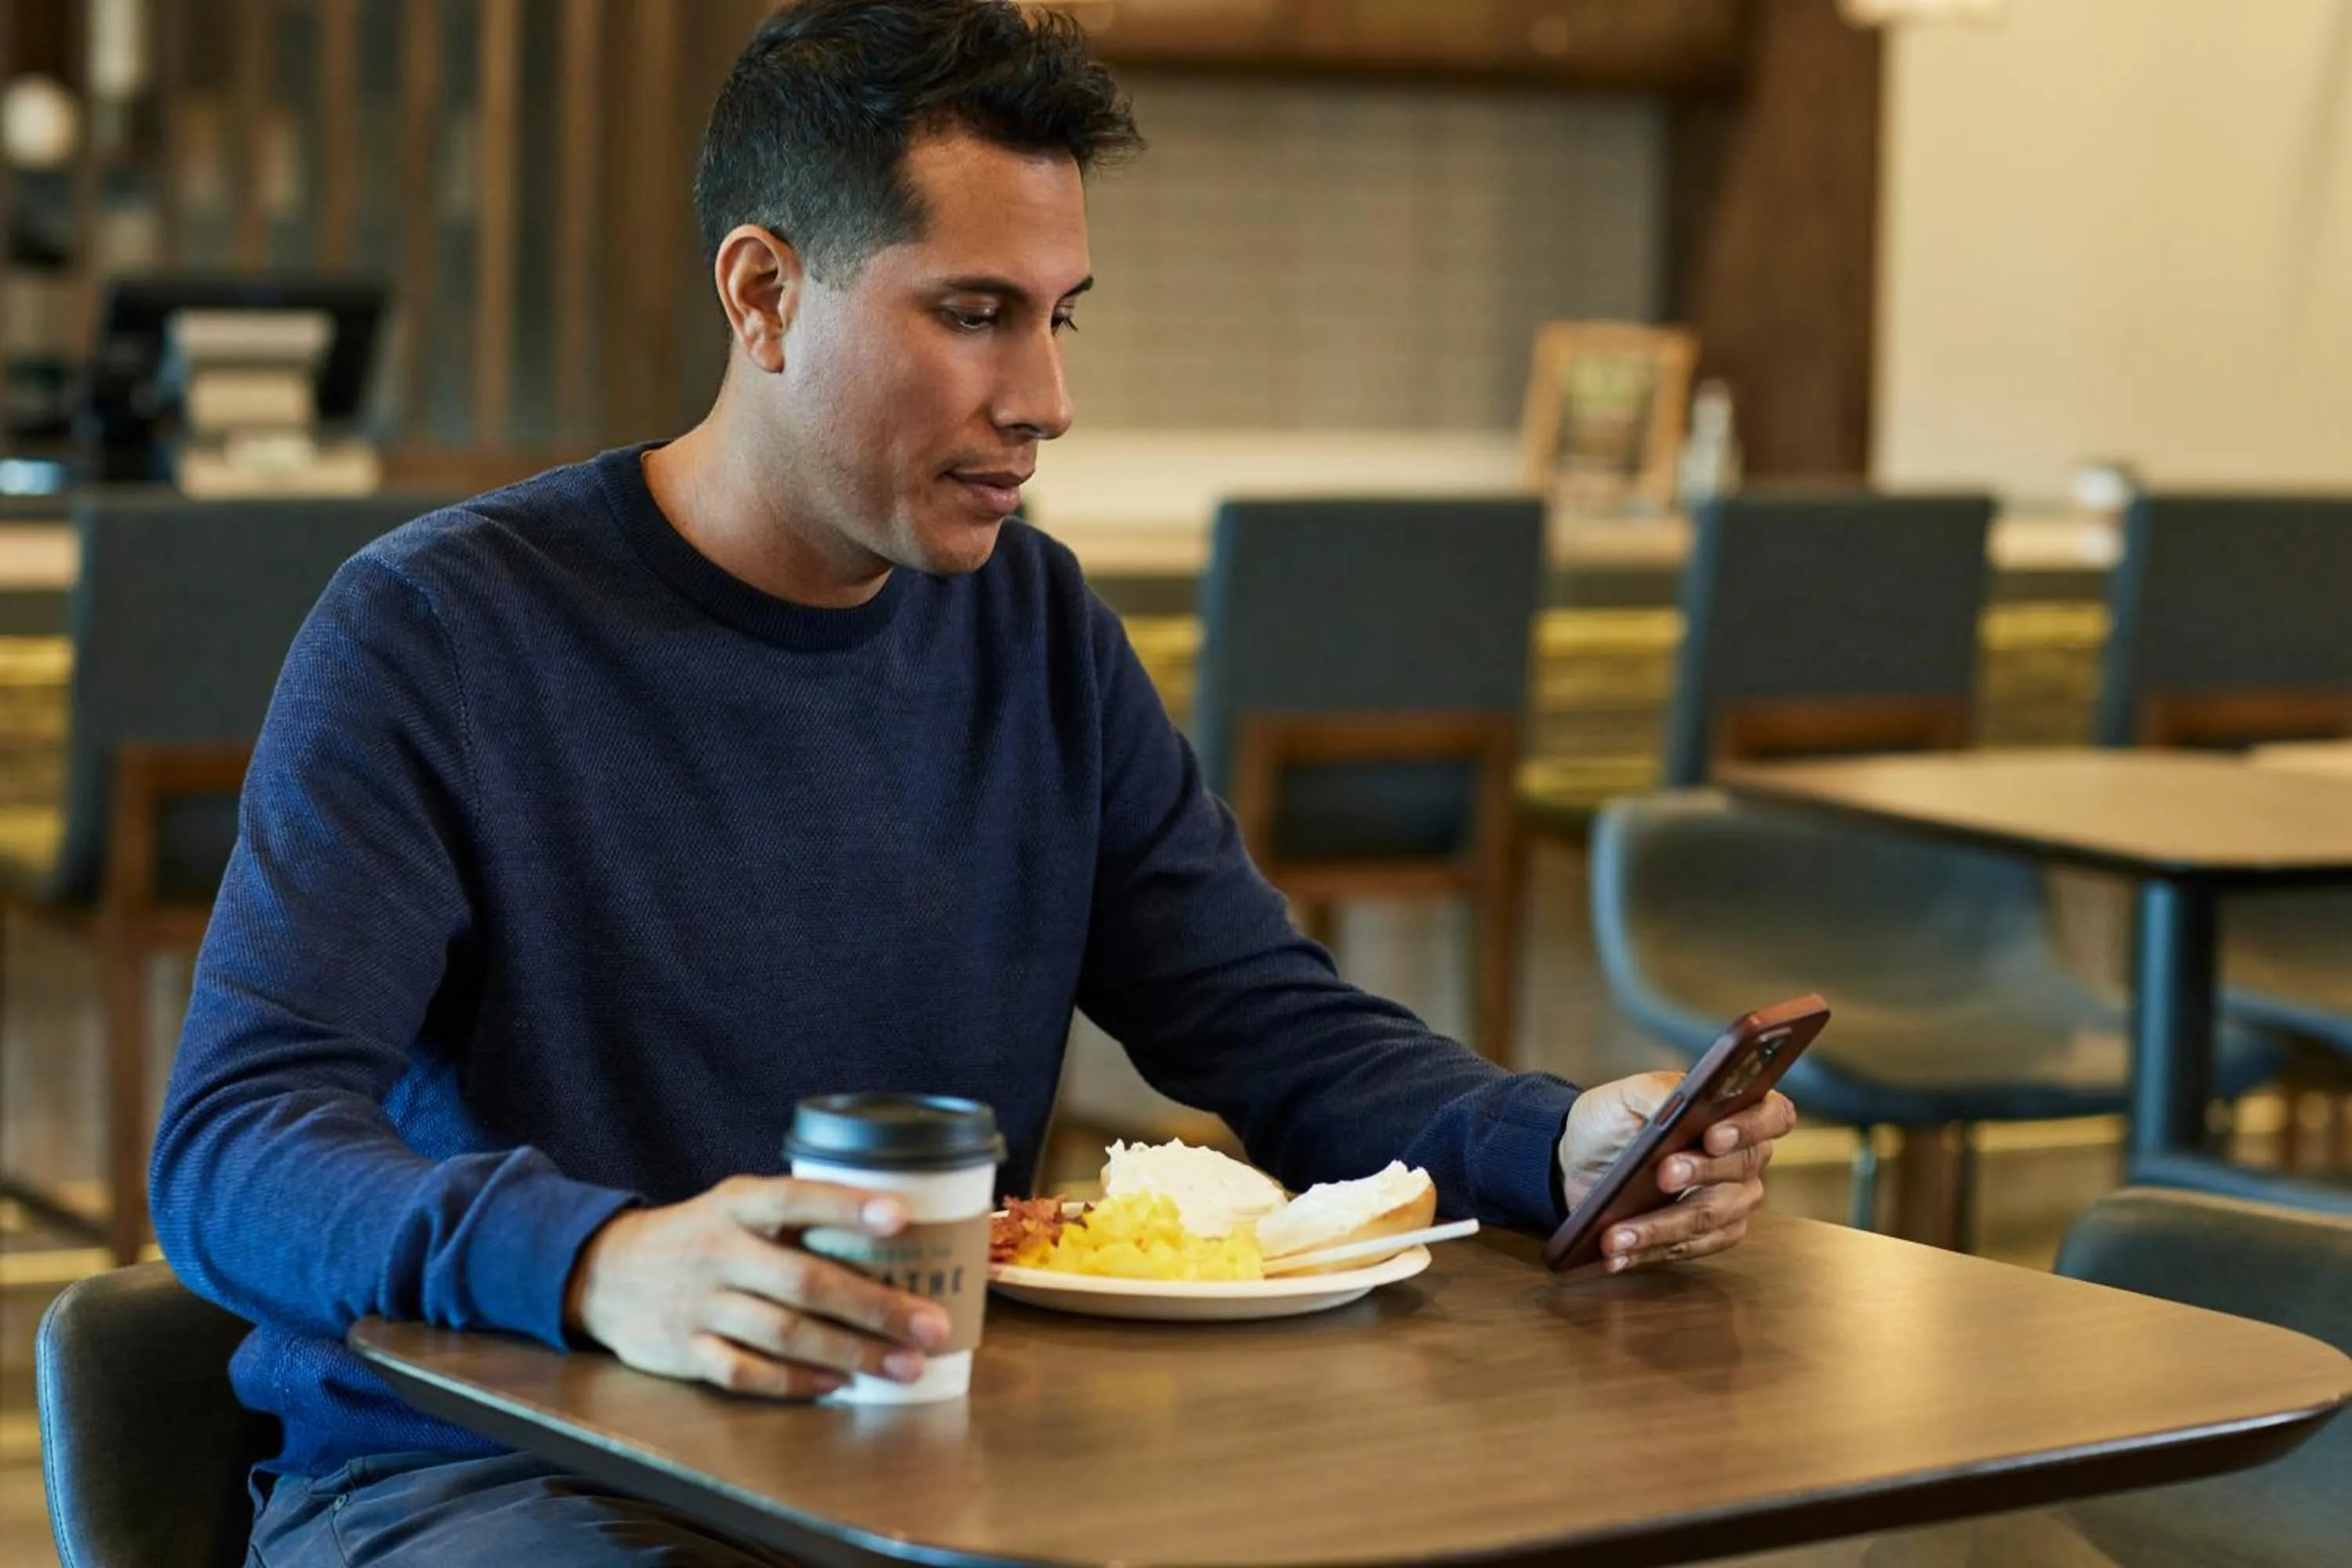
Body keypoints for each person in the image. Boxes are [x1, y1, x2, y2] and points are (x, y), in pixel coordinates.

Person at [149, 2, 1797, 1563]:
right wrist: (599, 1263)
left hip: (912, 1463)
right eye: (974, 313)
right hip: (487, 1475)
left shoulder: (1037, 630)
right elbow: (235, 1145)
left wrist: (1559, 1139)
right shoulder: (440, 630)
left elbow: (1269, 1026)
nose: (1048, 402)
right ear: (763, 295)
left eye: (1061, 315)